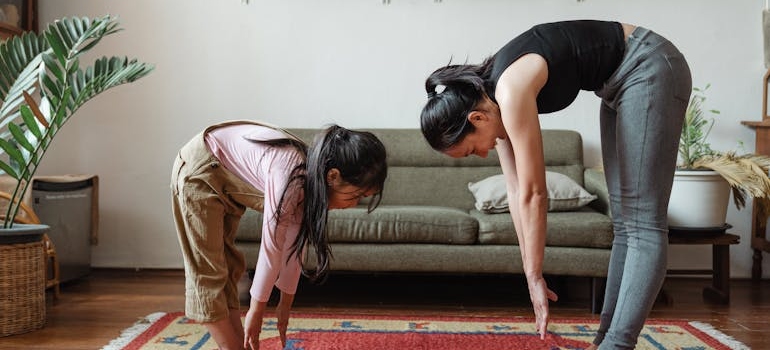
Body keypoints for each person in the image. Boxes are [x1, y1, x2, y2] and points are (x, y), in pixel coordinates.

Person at [419, 20, 691, 349]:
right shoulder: (493, 107)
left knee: (642, 222)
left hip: (648, 65)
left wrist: (536, 275)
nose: (480, 154)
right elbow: (517, 191)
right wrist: (529, 270)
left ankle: (616, 345)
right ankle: (604, 341)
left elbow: (535, 193)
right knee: (625, 223)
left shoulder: (509, 91)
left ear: (477, 119)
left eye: (472, 149)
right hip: (616, 84)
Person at [171, 120, 387, 350]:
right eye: (356, 195)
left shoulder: (311, 182)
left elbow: (293, 247)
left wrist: (284, 307)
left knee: (229, 267)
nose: (354, 205)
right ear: (333, 176)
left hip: (224, 178)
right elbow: (272, 246)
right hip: (200, 170)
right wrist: (256, 312)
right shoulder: (291, 174)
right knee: (209, 274)